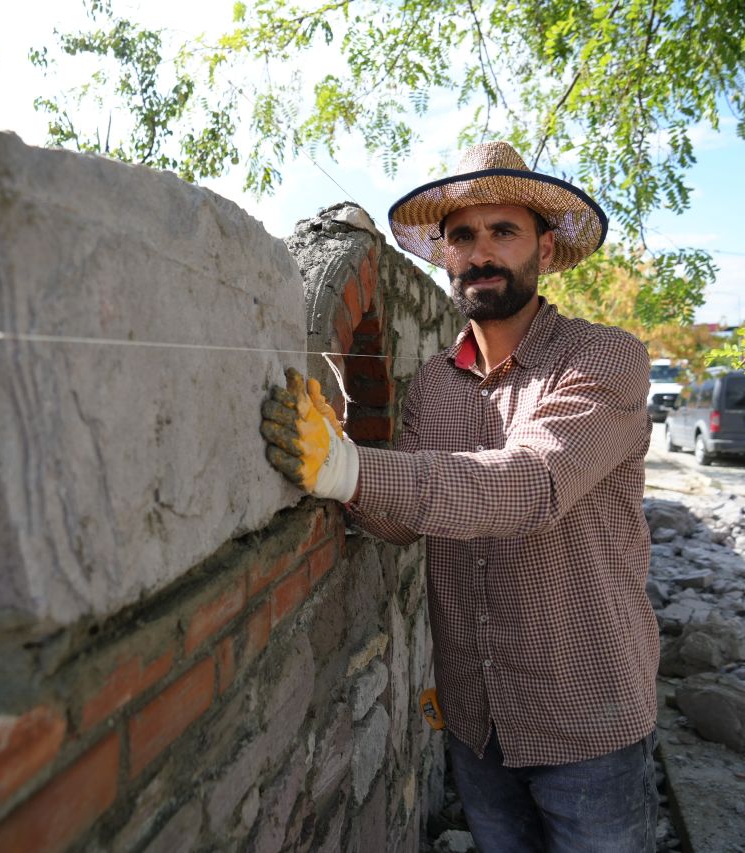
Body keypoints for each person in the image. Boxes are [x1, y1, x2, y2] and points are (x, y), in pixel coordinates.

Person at [259, 141, 659, 852]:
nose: (481, 253)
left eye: (503, 231)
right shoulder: (435, 385)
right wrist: (338, 472)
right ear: (443, 254)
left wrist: (351, 468)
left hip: (587, 720)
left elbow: (530, 485)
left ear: (544, 245)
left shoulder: (604, 359)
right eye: (462, 236)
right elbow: (402, 523)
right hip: (476, 724)